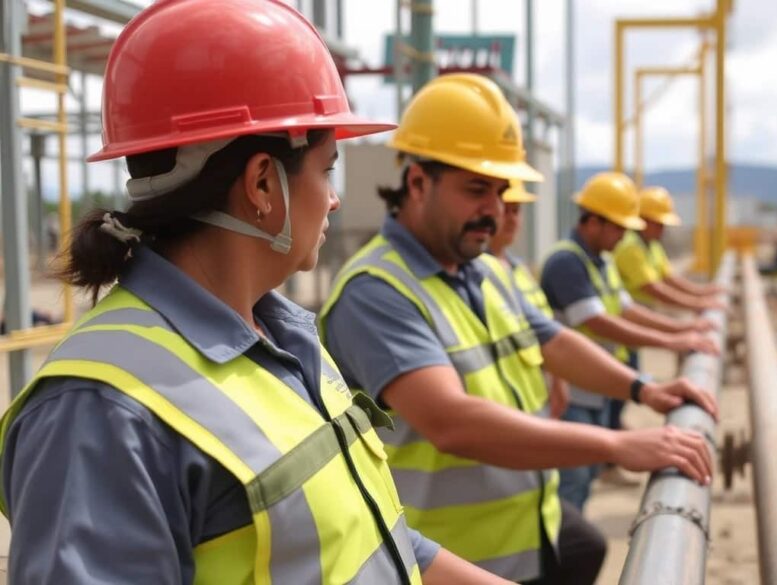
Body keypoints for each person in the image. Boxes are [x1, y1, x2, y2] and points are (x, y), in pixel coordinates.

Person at [0, 2, 507, 583]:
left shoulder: (288, 341)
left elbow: (372, 539)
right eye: (328, 169)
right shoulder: (100, 414)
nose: (335, 199)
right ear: (263, 183)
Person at [319, 73, 717, 585]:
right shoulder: (376, 291)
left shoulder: (482, 272)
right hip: (452, 564)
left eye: (501, 189)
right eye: (476, 188)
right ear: (417, 182)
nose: (495, 208)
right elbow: (451, 421)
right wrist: (615, 444)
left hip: (528, 538)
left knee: (586, 547)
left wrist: (646, 389)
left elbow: (553, 340)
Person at [540, 171, 719, 506]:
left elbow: (625, 309)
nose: (623, 236)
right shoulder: (566, 262)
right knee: (572, 483)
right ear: (592, 222)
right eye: (618, 227)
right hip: (572, 391)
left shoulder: (601, 260)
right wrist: (672, 339)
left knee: (585, 476)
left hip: (598, 385)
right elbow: (600, 322)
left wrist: (680, 332)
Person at [486, 180, 568, 419]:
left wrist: (558, 379)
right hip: (504, 407)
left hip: (534, 396)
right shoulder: (476, 274)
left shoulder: (520, 269)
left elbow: (546, 330)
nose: (511, 219)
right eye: (506, 208)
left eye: (516, 211)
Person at [613, 185, 725, 311]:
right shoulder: (630, 247)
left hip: (641, 309)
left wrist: (702, 293)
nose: (663, 229)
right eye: (659, 224)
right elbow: (652, 288)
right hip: (631, 311)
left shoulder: (651, 244)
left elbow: (669, 278)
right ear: (643, 219)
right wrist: (697, 304)